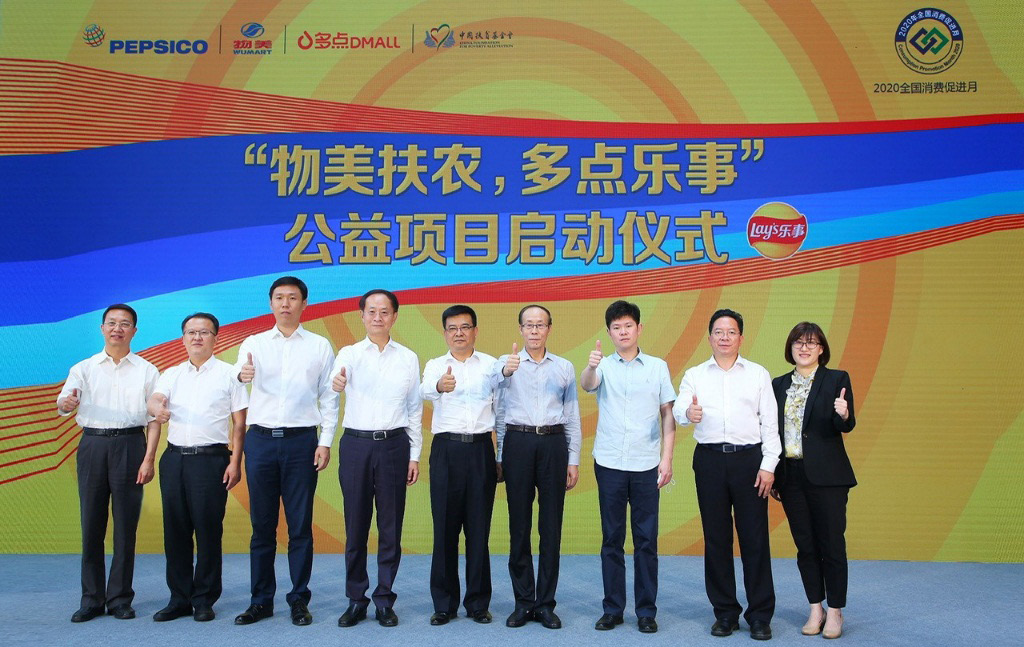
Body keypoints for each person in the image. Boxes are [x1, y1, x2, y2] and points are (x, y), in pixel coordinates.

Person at [233, 277, 339, 627]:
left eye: (292, 298)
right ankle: (260, 601)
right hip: (261, 441)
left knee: (300, 526)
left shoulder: (319, 345)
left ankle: (298, 600)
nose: (285, 304)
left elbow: (330, 396)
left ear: (304, 304)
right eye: (279, 297)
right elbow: (237, 376)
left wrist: (325, 441)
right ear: (270, 303)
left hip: (301, 442)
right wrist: (242, 374)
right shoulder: (254, 343)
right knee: (262, 526)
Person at [673, 308, 780, 641]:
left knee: (754, 539)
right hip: (709, 461)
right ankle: (725, 613)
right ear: (709, 338)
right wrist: (688, 412)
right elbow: (678, 409)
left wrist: (768, 465)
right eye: (718, 332)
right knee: (716, 539)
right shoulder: (695, 374)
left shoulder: (758, 374)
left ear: (741, 338)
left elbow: (770, 423)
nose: (724, 337)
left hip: (750, 461)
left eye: (731, 332)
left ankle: (760, 615)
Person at [56, 304, 161, 623]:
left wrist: (148, 458)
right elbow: (64, 403)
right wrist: (67, 403)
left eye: (125, 324)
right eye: (112, 323)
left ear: (134, 331)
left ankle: (119, 598)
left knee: (126, 526)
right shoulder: (84, 368)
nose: (118, 328)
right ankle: (91, 599)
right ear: (102, 328)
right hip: (93, 444)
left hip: (131, 445)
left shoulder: (147, 370)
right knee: (91, 523)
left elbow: (154, 418)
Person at [580, 300, 675, 634]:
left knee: (646, 540)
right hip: (609, 463)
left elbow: (668, 414)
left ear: (639, 328)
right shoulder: (603, 365)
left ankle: (646, 611)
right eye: (616, 328)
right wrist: (590, 366)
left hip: (647, 463)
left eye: (628, 326)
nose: (623, 332)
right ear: (609, 333)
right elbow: (587, 384)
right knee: (612, 539)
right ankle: (613, 609)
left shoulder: (657, 367)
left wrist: (666, 458)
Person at [147, 313, 248, 622]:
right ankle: (179, 598)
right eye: (191, 332)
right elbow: (155, 400)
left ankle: (204, 599)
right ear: (183, 338)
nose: (197, 337)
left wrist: (235, 462)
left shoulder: (230, 375)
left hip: (211, 460)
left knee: (207, 530)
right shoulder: (171, 373)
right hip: (174, 459)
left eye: (204, 332)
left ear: (216, 338)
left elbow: (239, 424)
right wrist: (157, 408)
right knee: (175, 531)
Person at [331, 289, 422, 628]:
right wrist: (336, 383)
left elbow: (414, 408)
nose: (378, 317)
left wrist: (414, 454)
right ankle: (356, 599)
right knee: (355, 526)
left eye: (385, 311)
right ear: (362, 316)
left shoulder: (408, 358)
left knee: (390, 526)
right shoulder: (349, 353)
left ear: (394, 316)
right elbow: (333, 387)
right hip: (356, 445)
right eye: (371, 311)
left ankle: (384, 599)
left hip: (394, 446)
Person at [495, 304, 582, 630]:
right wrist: (500, 456)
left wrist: (573, 459)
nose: (534, 330)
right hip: (517, 443)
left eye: (540, 325)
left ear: (549, 329)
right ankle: (523, 602)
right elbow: (499, 414)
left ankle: (545, 604)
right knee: (519, 526)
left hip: (553, 444)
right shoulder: (506, 365)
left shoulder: (564, 367)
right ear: (520, 329)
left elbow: (572, 417)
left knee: (550, 527)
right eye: (528, 325)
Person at [770, 322, 856, 640]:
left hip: (828, 477)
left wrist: (843, 414)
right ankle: (815, 608)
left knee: (831, 544)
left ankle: (835, 611)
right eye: (798, 342)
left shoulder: (837, 380)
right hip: (791, 476)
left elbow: (844, 425)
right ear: (790, 348)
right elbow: (771, 431)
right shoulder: (778, 385)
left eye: (811, 343)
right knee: (805, 546)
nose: (804, 348)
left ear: (821, 349)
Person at [420, 305, 502, 626]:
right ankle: (444, 604)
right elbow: (424, 390)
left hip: (481, 449)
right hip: (446, 450)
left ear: (475, 331)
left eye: (465, 327)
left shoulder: (491, 366)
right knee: (445, 530)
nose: (458, 333)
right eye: (452, 328)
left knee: (479, 531)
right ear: (444, 333)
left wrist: (500, 456)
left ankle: (478, 603)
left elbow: (502, 412)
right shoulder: (435, 366)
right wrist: (440, 386)